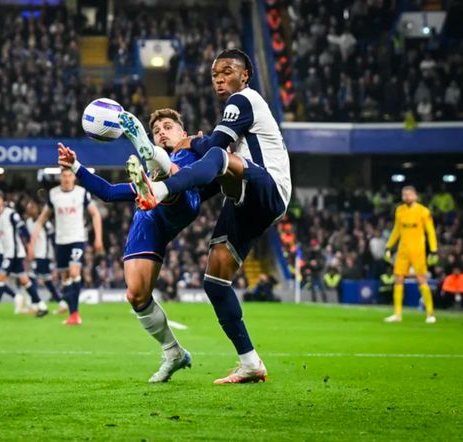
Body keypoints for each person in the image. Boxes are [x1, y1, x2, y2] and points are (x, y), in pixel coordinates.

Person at [124, 48, 291, 384]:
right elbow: (210, 171)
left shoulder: (243, 100)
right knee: (215, 283)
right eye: (215, 74)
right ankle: (251, 363)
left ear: (245, 75)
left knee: (217, 154)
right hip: (244, 200)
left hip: (268, 187)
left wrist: (191, 143)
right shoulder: (234, 108)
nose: (219, 79)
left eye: (227, 71)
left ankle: (160, 189)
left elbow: (214, 145)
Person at [57, 107, 206, 382]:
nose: (162, 132)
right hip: (149, 219)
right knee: (136, 295)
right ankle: (173, 352)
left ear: (183, 132)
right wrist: (76, 166)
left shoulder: (193, 148)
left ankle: (155, 171)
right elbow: (108, 192)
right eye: (156, 130)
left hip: (183, 196)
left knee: (170, 172)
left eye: (168, 127)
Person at [28, 168, 103, 325]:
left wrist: (98, 238)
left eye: (69, 175)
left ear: (74, 178)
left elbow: (95, 213)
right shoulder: (54, 194)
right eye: (64, 176)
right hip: (60, 241)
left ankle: (75, 314)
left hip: (77, 238)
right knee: (65, 278)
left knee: (74, 272)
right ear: (60, 178)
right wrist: (32, 243)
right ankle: (72, 313)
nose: (67, 178)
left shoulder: (82, 193)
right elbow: (41, 220)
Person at [0, 190, 47, 318]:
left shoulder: (11, 214)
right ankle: (41, 306)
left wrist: (30, 247)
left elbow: (23, 231)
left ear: (2, 200)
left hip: (14, 253)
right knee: (24, 280)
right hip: (5, 252)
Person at [384, 186, 438, 323]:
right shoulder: (400, 210)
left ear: (415, 196)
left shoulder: (423, 211)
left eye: (408, 194)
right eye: (404, 195)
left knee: (421, 279)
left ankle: (430, 314)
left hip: (418, 250)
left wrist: (433, 249)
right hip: (403, 250)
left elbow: (430, 231)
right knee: (398, 279)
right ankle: (397, 314)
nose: (406, 197)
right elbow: (397, 230)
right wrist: (389, 246)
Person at [25, 200, 63, 305]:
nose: (30, 210)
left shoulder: (45, 222)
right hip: (35, 254)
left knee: (32, 277)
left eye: (32, 208)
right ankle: (60, 301)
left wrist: (55, 254)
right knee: (46, 280)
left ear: (38, 210)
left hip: (44, 254)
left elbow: (52, 238)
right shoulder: (28, 222)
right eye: (28, 209)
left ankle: (35, 302)